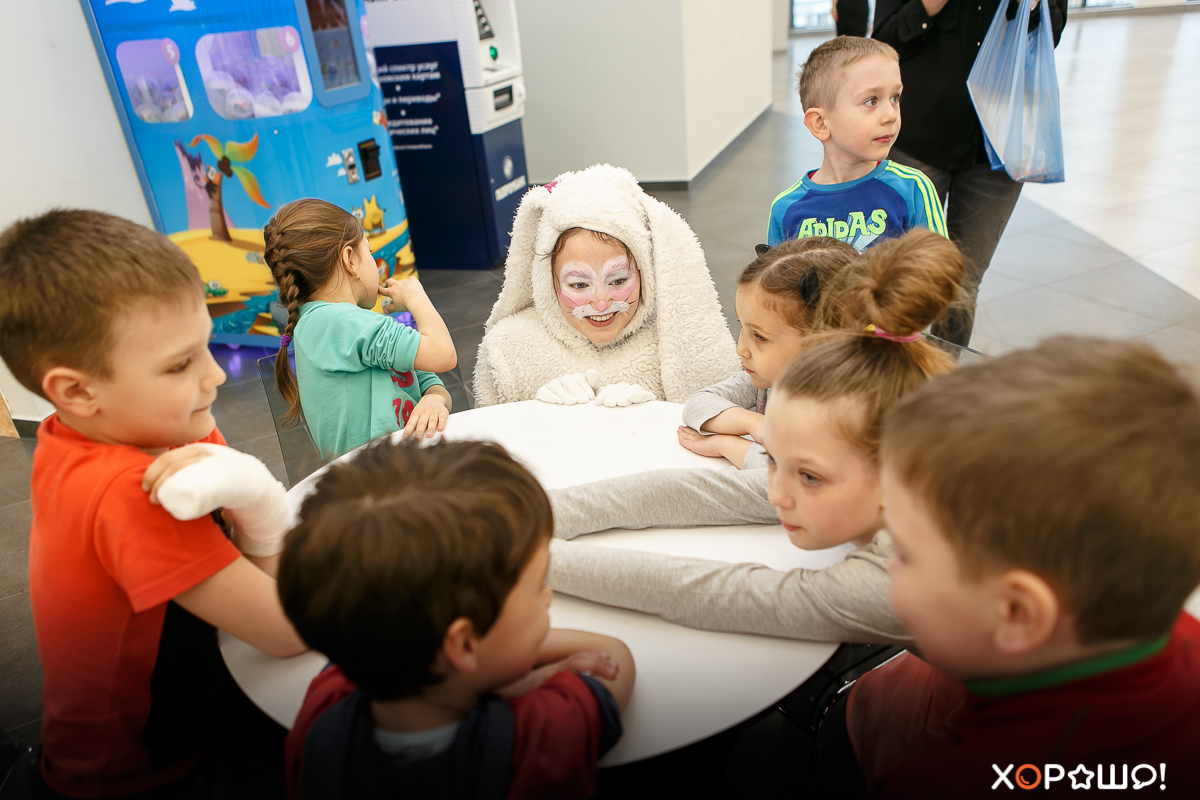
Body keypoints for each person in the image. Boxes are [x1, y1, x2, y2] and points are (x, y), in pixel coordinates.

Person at [0, 210, 307, 798]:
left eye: (205, 346)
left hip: (204, 701)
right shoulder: (128, 490)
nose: (216, 376)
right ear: (76, 391)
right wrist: (263, 505)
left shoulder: (145, 424)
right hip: (145, 777)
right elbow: (286, 630)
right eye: (180, 364)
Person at [547, 229, 963, 645]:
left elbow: (699, 591)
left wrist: (528, 555)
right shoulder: (848, 469)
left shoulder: (902, 581)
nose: (776, 493)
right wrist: (529, 514)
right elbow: (693, 491)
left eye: (808, 477)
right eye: (774, 459)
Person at [847, 337, 1200, 795]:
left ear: (1016, 612)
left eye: (905, 553)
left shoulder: (947, 781)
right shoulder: (1161, 624)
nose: (889, 564)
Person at [278, 438, 635, 799]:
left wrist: (489, 666)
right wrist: (518, 679)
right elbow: (612, 655)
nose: (547, 597)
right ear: (465, 644)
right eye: (537, 586)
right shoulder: (540, 741)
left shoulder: (319, 719)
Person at [873, 0, 1068, 347]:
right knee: (896, 276)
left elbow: (1049, 32)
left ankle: (944, 377)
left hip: (997, 147)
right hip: (918, 139)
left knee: (961, 286)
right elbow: (884, 43)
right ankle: (890, 374)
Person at [474, 163, 740, 406]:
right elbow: (480, 438)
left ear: (645, 273)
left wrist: (656, 415)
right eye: (579, 285)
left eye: (618, 280)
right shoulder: (509, 349)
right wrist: (534, 414)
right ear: (547, 282)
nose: (601, 303)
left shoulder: (676, 343)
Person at [264, 198, 457, 460]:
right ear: (349, 260)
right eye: (369, 251)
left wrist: (434, 398)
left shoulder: (342, 322)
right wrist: (416, 297)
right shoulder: (336, 323)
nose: (374, 263)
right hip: (379, 475)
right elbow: (444, 355)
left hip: (400, 465)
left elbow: (426, 377)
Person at [679, 236, 858, 469]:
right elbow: (697, 404)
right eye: (742, 327)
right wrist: (753, 422)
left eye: (760, 337)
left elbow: (796, 474)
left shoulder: (847, 408)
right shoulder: (768, 381)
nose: (740, 349)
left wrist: (725, 445)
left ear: (822, 344)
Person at [767, 37, 947, 251]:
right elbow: (776, 273)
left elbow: (939, 270)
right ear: (820, 123)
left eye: (895, 98)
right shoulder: (786, 209)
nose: (891, 115)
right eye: (871, 101)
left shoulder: (913, 188)